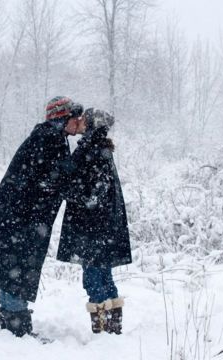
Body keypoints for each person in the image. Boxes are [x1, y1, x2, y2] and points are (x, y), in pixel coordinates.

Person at [0, 96, 86, 338]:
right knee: (17, 268)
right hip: (21, 219)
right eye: (75, 118)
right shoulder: (49, 140)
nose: (79, 122)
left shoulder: (49, 138)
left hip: (17, 216)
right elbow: (57, 180)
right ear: (63, 119)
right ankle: (17, 330)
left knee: (11, 269)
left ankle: (12, 328)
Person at [57, 108, 132, 334]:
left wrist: (66, 190)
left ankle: (102, 330)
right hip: (103, 227)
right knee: (104, 276)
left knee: (93, 279)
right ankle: (113, 326)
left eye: (84, 119)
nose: (79, 121)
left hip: (92, 228)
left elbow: (92, 193)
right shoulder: (101, 149)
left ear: (91, 125)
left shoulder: (91, 150)